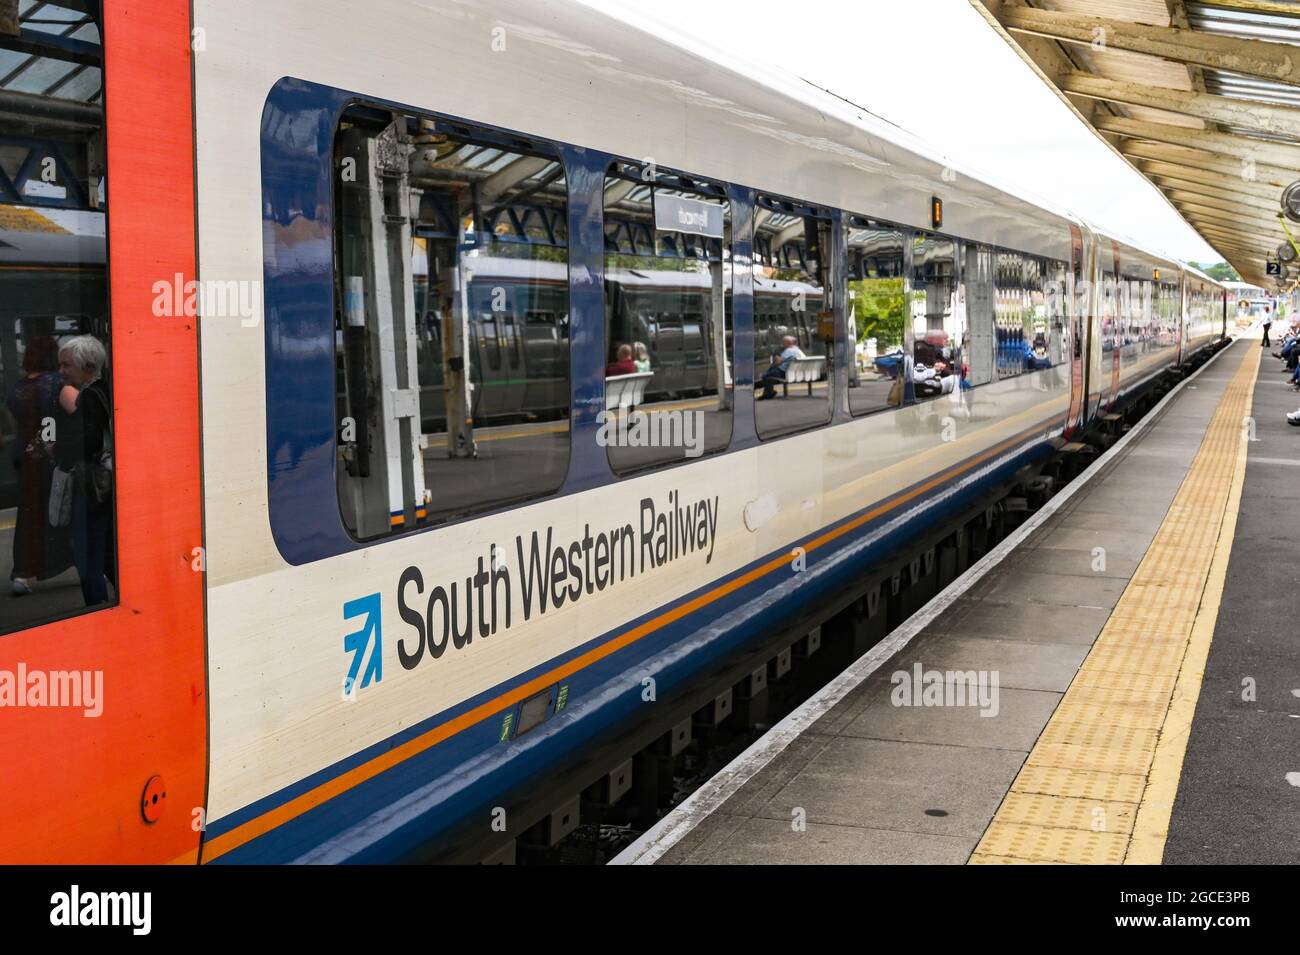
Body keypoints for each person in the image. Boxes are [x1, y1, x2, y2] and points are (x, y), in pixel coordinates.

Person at [6, 336, 72, 595]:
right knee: (62, 510)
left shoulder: (16, 389)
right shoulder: (57, 384)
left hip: (24, 460)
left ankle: (22, 574)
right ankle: (79, 559)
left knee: (28, 515)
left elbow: (15, 427)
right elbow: (68, 417)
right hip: (52, 459)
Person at [55, 335, 115, 607]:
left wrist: (58, 450)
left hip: (92, 486)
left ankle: (96, 605)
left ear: (87, 366)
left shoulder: (89, 396)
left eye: (67, 365)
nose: (62, 371)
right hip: (107, 482)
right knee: (106, 549)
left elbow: (88, 442)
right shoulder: (105, 389)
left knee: (87, 553)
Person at [757, 335, 805, 400]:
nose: (783, 344)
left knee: (765, 376)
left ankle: (768, 393)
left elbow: (778, 362)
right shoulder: (799, 351)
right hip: (796, 373)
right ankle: (769, 392)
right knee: (771, 372)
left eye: (784, 343)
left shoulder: (788, 351)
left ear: (788, 343)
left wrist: (776, 359)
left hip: (784, 373)